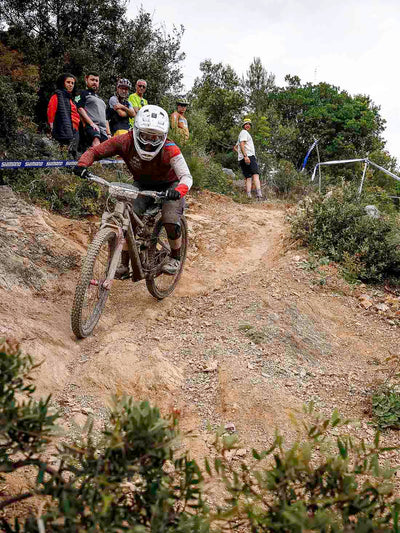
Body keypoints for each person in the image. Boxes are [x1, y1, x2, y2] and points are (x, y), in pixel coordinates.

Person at [74, 105, 192, 277]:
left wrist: (178, 191)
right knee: (128, 219)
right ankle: (123, 264)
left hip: (170, 185)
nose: (149, 142)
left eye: (155, 137)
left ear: (164, 136)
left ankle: (175, 257)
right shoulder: (125, 141)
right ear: (136, 131)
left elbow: (186, 176)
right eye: (145, 136)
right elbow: (95, 151)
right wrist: (82, 164)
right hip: (142, 184)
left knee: (170, 219)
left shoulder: (170, 148)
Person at [47, 73, 80, 157]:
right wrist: (52, 126)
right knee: (64, 153)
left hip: (74, 130)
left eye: (72, 83)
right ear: (62, 83)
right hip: (63, 129)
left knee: (73, 153)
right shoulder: (57, 96)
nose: (70, 85)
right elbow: (51, 111)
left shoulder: (70, 98)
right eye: (68, 82)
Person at [75, 72, 111, 148]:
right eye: (92, 80)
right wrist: (91, 123)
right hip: (91, 126)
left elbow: (106, 118)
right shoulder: (82, 93)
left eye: (96, 80)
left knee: (107, 148)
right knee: (96, 142)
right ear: (86, 80)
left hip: (103, 129)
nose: (94, 82)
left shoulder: (100, 99)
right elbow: (79, 108)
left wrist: (108, 133)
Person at [236, 118, 263, 200]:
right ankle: (259, 195)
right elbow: (242, 144)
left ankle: (249, 196)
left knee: (248, 177)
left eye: (249, 124)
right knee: (255, 175)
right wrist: (246, 156)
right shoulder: (244, 132)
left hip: (242, 158)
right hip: (249, 156)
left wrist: (241, 154)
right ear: (243, 125)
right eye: (246, 124)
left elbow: (235, 147)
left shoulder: (241, 134)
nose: (248, 125)